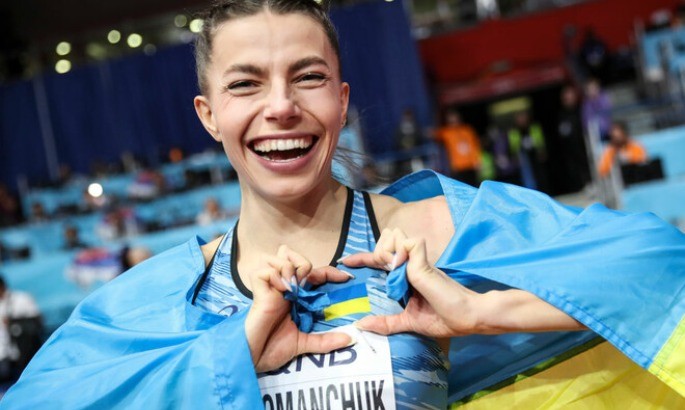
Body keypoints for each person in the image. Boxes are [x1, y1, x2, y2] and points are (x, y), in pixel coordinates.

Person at [2, 1, 684, 408]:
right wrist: (229, 354)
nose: (280, 107)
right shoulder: (167, 296)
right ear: (208, 116)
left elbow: (660, 266)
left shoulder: (439, 229)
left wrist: (481, 312)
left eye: (308, 77)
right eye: (246, 84)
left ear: (341, 99)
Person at [0, 276, 42, 383]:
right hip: (5, 355)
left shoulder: (21, 298)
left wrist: (13, 322)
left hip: (26, 351)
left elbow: (37, 322)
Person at [434, 109, 482, 186]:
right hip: (458, 167)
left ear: (459, 119)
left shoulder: (467, 130)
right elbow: (435, 134)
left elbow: (474, 146)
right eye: (451, 121)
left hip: (470, 165)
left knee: (474, 186)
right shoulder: (447, 132)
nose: (454, 123)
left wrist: (477, 161)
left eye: (455, 120)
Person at [556, 85, 590, 192]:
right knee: (573, 169)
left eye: (570, 96)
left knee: (587, 165)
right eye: (566, 98)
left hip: (584, 146)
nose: (568, 99)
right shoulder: (561, 115)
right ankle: (579, 188)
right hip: (570, 149)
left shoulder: (582, 110)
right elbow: (561, 133)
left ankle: (589, 184)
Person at [507, 111, 548, 192]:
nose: (522, 120)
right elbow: (513, 146)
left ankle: (543, 191)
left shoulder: (534, 127)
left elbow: (540, 140)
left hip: (535, 155)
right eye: (520, 118)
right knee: (527, 177)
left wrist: (542, 150)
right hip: (523, 157)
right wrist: (514, 156)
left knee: (540, 175)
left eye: (523, 117)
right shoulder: (514, 131)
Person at [581, 77, 612, 143]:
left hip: (607, 130)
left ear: (598, 88)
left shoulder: (604, 98)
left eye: (594, 88)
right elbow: (586, 120)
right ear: (586, 91)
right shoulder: (586, 104)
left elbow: (608, 110)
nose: (592, 91)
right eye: (589, 89)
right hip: (595, 134)